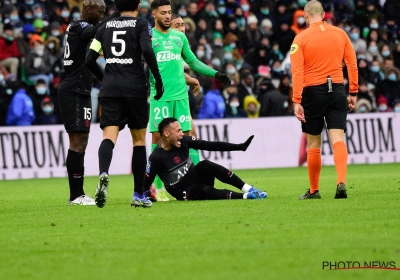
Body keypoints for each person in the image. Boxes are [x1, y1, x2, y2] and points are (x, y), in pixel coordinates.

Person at [148, 0, 231, 201]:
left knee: (185, 138)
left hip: (181, 97)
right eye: (163, 13)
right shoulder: (149, 37)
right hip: (160, 97)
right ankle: (157, 188)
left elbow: (192, 61)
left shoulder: (179, 38)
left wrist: (216, 74)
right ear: (154, 14)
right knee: (158, 140)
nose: (167, 16)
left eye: (169, 12)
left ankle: (191, 182)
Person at [86, 0, 164, 208]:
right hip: (135, 88)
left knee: (108, 137)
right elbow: (147, 51)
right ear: (138, 7)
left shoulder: (103, 27)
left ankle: (103, 173)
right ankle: (139, 194)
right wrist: (157, 78)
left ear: (118, 7)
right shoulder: (141, 25)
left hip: (110, 89)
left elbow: (89, 59)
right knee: (138, 141)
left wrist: (105, 79)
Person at [290, 1, 358, 200]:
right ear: (324, 14)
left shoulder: (300, 39)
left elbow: (297, 72)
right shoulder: (340, 34)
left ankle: (314, 190)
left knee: (313, 143)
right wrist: (352, 91)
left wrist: (297, 100)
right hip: (337, 88)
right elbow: (352, 63)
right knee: (338, 139)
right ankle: (341, 181)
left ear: (305, 15)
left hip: (313, 92)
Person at [57, 0, 109, 206]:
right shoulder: (81, 27)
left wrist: (107, 80)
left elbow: (90, 60)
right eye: (100, 11)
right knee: (77, 142)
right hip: (73, 90)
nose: (102, 15)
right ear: (88, 9)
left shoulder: (78, 27)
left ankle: (78, 193)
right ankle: (75, 195)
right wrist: (117, 25)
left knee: (82, 141)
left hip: (80, 90)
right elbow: (96, 32)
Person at [143, 118, 267, 201]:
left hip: (195, 177)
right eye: (178, 131)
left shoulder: (183, 141)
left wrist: (239, 147)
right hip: (182, 191)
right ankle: (246, 196)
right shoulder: (156, 157)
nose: (182, 134)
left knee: (205, 164)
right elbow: (146, 182)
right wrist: (147, 195)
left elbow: (210, 145)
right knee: (205, 191)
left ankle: (249, 189)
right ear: (166, 134)